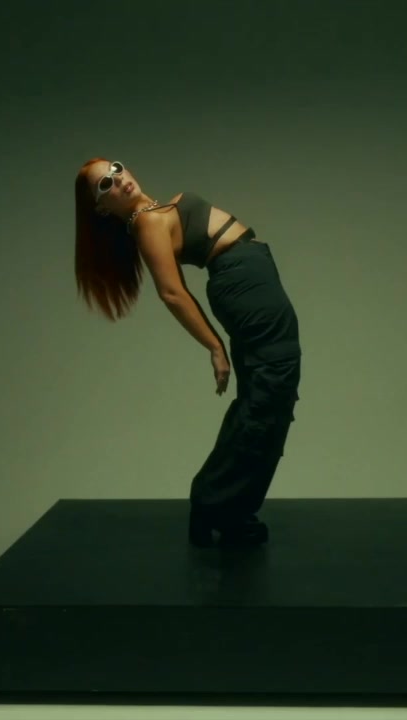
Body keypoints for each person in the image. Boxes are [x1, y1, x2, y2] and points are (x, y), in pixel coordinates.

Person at [74, 158, 301, 548]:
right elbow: (172, 293)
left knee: (266, 399)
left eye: (116, 169)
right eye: (105, 185)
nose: (118, 180)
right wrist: (215, 347)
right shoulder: (146, 224)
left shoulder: (156, 211)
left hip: (251, 281)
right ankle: (218, 507)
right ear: (102, 208)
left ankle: (224, 507)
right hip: (245, 287)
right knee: (268, 399)